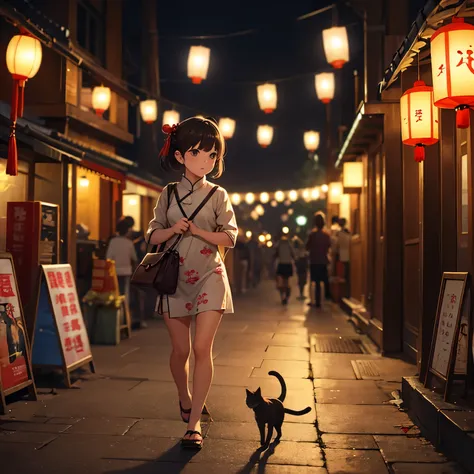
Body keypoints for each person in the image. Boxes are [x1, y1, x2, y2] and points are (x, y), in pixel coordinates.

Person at [146, 116, 237, 449]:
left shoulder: (218, 194)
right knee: (180, 350)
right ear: (180, 156)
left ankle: (194, 423)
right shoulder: (168, 193)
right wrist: (172, 230)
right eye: (198, 152)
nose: (206, 161)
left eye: (212, 155)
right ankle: (184, 396)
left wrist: (198, 231)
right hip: (173, 278)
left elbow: (230, 237)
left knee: (201, 348)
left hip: (210, 275)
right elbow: (151, 233)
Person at [106, 219, 138, 304]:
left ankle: (117, 310)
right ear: (127, 231)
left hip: (114, 271)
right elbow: (134, 258)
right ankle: (125, 311)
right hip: (126, 271)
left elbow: (108, 257)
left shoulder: (113, 242)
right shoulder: (129, 243)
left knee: (115, 292)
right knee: (125, 293)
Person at [306, 212, 332, 308]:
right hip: (323, 260)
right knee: (324, 280)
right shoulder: (326, 235)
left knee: (316, 282)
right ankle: (327, 298)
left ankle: (317, 301)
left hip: (314, 260)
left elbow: (307, 247)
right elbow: (329, 246)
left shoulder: (312, 235)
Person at [274, 232, 295, 305]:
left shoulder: (278, 244)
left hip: (281, 264)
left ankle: (283, 296)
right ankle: (286, 296)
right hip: (287, 264)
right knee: (286, 282)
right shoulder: (289, 244)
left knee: (281, 282)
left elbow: (276, 254)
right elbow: (293, 254)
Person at [336, 218, 351, 298]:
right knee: (347, 276)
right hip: (348, 255)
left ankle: (344, 295)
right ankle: (346, 294)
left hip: (342, 255)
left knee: (343, 276)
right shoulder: (348, 232)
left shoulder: (339, 233)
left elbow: (336, 245)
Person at [293, 236, 308, 300]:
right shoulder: (298, 252)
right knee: (301, 280)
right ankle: (301, 294)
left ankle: (301, 294)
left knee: (302, 280)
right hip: (301, 267)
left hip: (302, 267)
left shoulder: (302, 252)